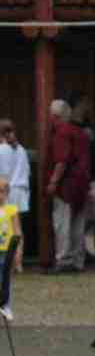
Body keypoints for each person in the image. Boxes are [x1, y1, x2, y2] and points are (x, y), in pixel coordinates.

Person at [44, 99, 90, 273]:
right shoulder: (79, 132)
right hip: (81, 183)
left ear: (54, 116)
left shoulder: (61, 132)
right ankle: (78, 260)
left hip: (66, 184)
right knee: (78, 223)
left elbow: (61, 161)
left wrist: (53, 181)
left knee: (62, 223)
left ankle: (63, 260)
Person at [0, 119, 31, 236]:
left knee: (6, 231)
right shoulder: (22, 150)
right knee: (18, 229)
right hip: (21, 195)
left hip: (6, 194)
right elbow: (27, 172)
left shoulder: (1, 150)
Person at [0, 175, 23, 321]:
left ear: (7, 193)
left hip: (7, 251)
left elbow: (17, 231)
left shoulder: (11, 210)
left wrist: (18, 251)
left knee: (5, 279)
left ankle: (5, 305)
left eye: (2, 192)